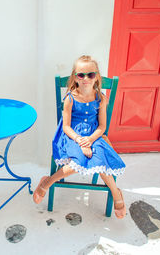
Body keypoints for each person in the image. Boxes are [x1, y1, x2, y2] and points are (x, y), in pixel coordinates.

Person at [33, 55, 126, 219]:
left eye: (90, 75)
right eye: (81, 75)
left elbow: (102, 126)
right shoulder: (70, 98)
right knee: (80, 159)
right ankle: (48, 182)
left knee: (100, 159)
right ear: (75, 77)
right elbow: (66, 126)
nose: (85, 79)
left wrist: (89, 140)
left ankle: (115, 192)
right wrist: (79, 140)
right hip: (71, 136)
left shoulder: (100, 98)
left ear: (96, 76)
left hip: (94, 135)